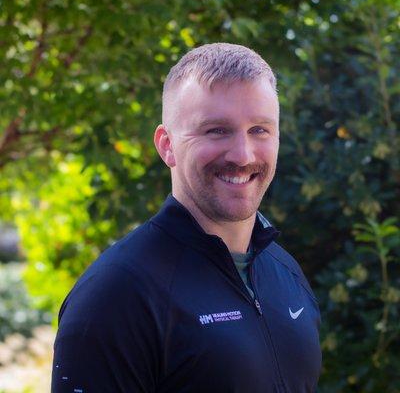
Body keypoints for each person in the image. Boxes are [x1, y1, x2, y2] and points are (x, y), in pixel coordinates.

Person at [51, 43, 321, 393]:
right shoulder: (116, 294)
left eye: (259, 130)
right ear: (167, 145)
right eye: (216, 130)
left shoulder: (286, 273)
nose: (243, 155)